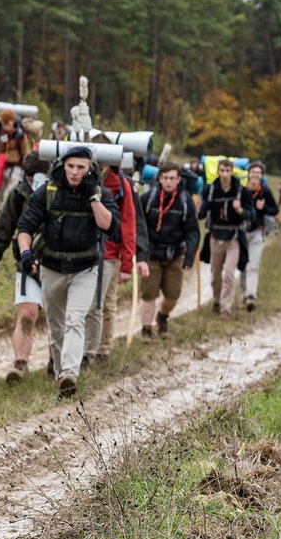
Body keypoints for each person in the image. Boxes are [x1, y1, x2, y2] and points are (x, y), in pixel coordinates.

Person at [16, 146, 119, 397]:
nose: (74, 172)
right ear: (63, 166)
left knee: (75, 319)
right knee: (56, 324)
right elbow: (25, 227)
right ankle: (61, 370)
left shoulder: (100, 194)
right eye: (71, 166)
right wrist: (26, 253)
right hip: (52, 268)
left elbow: (109, 225)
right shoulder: (48, 191)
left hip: (85, 268)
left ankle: (69, 374)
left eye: (81, 167)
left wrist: (93, 197)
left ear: (89, 169)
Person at [0, 151, 49, 384]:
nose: (35, 181)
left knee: (60, 318)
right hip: (26, 261)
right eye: (31, 176)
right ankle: (20, 364)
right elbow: (3, 229)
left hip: (57, 264)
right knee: (27, 314)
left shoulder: (61, 194)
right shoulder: (18, 194)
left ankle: (57, 362)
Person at [84, 162, 147, 364]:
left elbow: (128, 225)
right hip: (83, 251)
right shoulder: (80, 177)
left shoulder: (121, 185)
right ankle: (92, 347)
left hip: (109, 254)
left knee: (101, 303)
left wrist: (127, 264)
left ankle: (100, 349)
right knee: (96, 302)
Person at [138, 162, 200, 338]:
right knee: (149, 294)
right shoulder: (148, 199)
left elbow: (192, 231)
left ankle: (162, 317)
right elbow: (139, 226)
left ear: (179, 179)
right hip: (151, 253)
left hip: (174, 254)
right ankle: (146, 330)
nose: (169, 182)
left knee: (173, 295)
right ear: (159, 178)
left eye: (172, 178)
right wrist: (140, 252)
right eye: (165, 178)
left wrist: (189, 257)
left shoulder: (185, 201)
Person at [198, 158, 253, 316]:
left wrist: (240, 210)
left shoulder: (241, 192)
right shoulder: (210, 190)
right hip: (216, 236)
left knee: (229, 274)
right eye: (222, 171)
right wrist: (197, 209)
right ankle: (216, 300)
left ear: (232, 172)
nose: (224, 174)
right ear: (218, 172)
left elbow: (251, 214)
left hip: (234, 237)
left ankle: (225, 308)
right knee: (216, 275)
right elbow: (203, 213)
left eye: (227, 171)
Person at [240, 161, 279, 311]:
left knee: (253, 266)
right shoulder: (242, 190)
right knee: (243, 266)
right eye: (253, 172)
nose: (255, 175)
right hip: (242, 233)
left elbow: (274, 210)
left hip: (257, 232)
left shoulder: (265, 192)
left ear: (262, 176)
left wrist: (264, 208)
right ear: (248, 174)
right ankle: (244, 294)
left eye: (258, 173)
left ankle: (251, 296)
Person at [0, 109, 36, 212]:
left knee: (8, 197)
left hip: (16, 169)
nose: (6, 126)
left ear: (13, 121)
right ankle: (5, 218)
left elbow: (26, 154)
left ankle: (6, 222)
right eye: (4, 123)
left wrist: (29, 173)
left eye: (8, 123)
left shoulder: (20, 134)